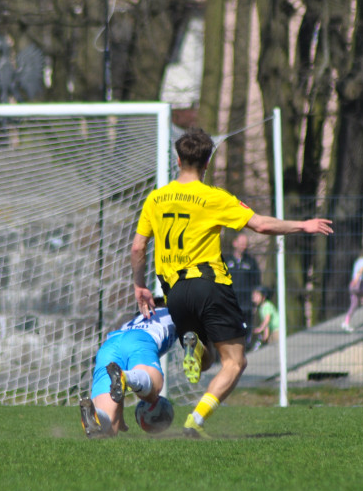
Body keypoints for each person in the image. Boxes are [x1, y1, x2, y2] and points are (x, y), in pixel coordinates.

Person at [130, 128, 333, 438]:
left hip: (174, 292)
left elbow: (137, 247)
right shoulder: (214, 197)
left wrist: (138, 285)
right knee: (235, 362)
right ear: (207, 161)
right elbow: (261, 225)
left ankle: (194, 348)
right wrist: (303, 225)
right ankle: (194, 421)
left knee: (208, 358)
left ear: (178, 158)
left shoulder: (156, 198)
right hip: (209, 285)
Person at [79, 299, 177, 438]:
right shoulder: (173, 312)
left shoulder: (135, 320)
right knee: (154, 387)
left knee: (109, 427)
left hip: (110, 344)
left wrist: (120, 417)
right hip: (140, 339)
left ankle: (94, 415)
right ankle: (126, 376)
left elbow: (117, 387)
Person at [225, 232, 261, 343]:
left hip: (246, 305)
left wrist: (257, 293)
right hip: (230, 304)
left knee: (245, 331)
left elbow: (257, 280)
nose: (243, 246)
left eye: (245, 244)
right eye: (241, 243)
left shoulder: (251, 262)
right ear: (235, 243)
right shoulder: (226, 261)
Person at [249, 285, 279, 350]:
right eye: (253, 296)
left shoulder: (267, 305)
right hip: (272, 330)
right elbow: (266, 324)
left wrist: (260, 328)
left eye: (257, 296)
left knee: (276, 347)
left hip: (277, 330)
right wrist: (266, 335)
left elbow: (267, 320)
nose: (254, 298)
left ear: (263, 297)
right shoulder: (261, 308)